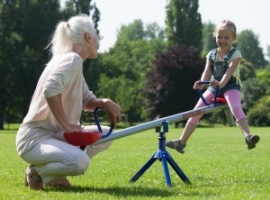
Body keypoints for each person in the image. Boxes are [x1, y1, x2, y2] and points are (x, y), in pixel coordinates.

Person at [16, 14, 121, 190]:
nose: (98, 39)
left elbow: (86, 100)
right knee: (80, 162)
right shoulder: (73, 60)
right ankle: (36, 172)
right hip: (34, 140)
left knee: (106, 135)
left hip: (53, 137)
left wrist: (105, 102)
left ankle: (54, 175)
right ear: (88, 37)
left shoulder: (70, 61)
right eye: (96, 35)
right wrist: (67, 126)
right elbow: (50, 90)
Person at [166, 20, 260, 154]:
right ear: (215, 36)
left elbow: (229, 72)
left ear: (234, 38)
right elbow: (207, 71)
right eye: (219, 37)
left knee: (235, 106)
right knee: (196, 110)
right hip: (214, 87)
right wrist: (201, 83)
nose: (222, 40)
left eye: (226, 37)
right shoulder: (211, 54)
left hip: (230, 86)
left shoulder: (236, 54)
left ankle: (248, 136)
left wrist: (221, 83)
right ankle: (181, 142)